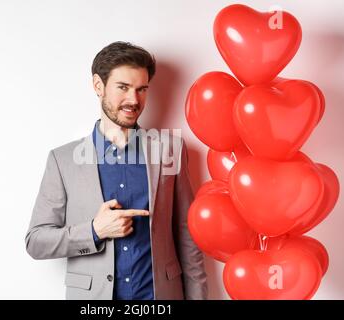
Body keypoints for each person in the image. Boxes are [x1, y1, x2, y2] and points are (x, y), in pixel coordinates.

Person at [25, 41, 207, 300]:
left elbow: (188, 234)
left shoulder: (171, 149)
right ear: (98, 86)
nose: (134, 100)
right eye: (123, 87)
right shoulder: (62, 160)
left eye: (142, 89)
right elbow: (36, 241)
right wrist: (94, 231)